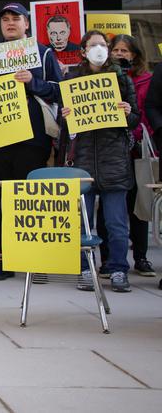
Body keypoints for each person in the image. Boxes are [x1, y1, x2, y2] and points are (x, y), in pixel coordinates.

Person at [0, 3, 62, 281]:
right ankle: (3, 259)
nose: (9, 23)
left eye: (15, 18)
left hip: (32, 139)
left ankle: (34, 258)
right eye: (5, 19)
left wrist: (33, 82)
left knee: (31, 198)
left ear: (27, 24)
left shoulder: (43, 54)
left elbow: (60, 90)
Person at [61, 31, 138, 293]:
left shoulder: (122, 79)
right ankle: (85, 269)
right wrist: (66, 115)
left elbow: (135, 120)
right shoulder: (72, 79)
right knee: (82, 224)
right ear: (83, 51)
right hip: (83, 160)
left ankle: (118, 269)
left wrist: (128, 113)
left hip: (114, 161)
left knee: (117, 223)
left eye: (103, 45)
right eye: (93, 45)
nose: (99, 49)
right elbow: (65, 127)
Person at [108, 34, 154, 277]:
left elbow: (147, 111)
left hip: (137, 149)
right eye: (116, 49)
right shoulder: (105, 79)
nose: (120, 54)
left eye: (125, 50)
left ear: (134, 54)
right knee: (113, 208)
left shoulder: (147, 80)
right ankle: (111, 259)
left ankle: (141, 256)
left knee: (139, 205)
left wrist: (135, 131)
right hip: (112, 150)